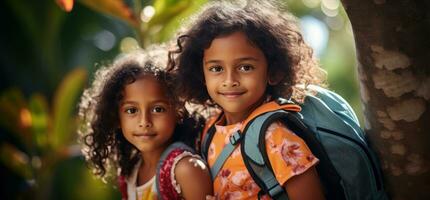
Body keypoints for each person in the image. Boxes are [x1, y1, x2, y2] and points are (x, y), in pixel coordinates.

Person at [168, 1, 327, 199]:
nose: (230, 81)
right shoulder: (210, 129)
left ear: (274, 71)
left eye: (245, 67)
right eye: (216, 69)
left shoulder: (277, 138)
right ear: (201, 73)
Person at [78, 48, 212, 200]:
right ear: (116, 117)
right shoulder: (130, 171)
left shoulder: (186, 170)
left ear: (178, 111)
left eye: (158, 109)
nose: (144, 122)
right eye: (131, 110)